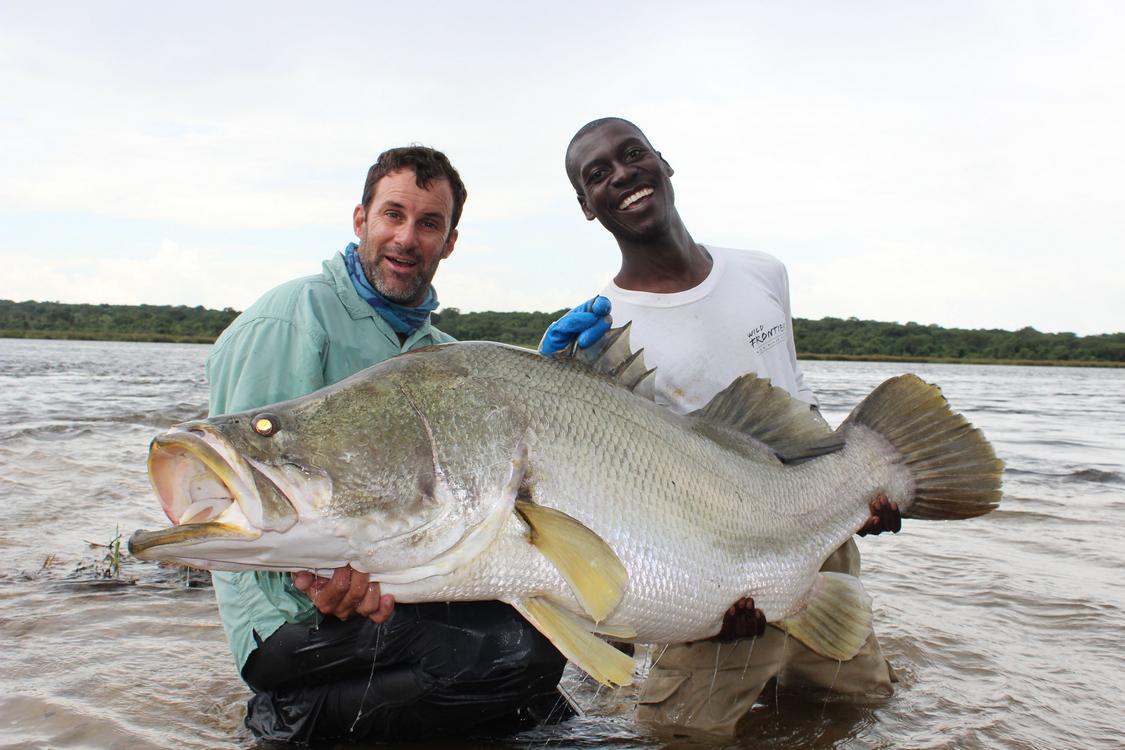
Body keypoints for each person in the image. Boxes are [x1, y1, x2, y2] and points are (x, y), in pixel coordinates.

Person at [542, 117, 898, 738]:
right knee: (674, 733)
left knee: (858, 704)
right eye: (598, 174)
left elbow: (793, 391)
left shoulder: (763, 271)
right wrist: (558, 382)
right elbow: (619, 482)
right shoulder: (607, 330)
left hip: (815, 526)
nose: (622, 174)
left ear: (663, 161)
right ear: (586, 206)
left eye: (632, 154)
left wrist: (862, 493)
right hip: (716, 560)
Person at [205, 146, 568, 745]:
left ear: (449, 243)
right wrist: (319, 577)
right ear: (361, 220)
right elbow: (254, 485)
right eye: (392, 215)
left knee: (543, 697)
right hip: (289, 619)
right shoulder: (289, 319)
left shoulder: (441, 352)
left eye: (429, 223)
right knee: (509, 653)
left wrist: (555, 376)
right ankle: (290, 718)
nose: (406, 238)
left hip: (401, 591)